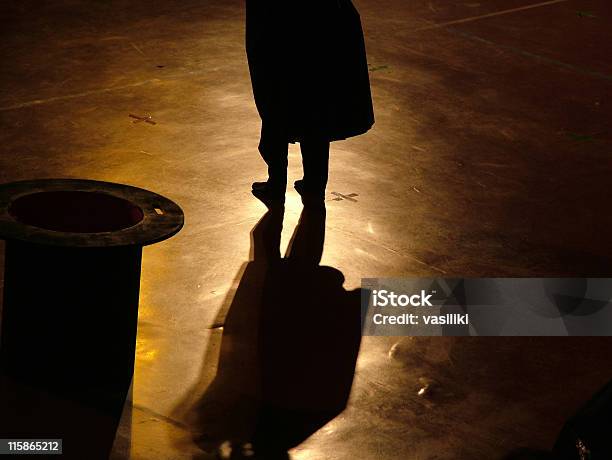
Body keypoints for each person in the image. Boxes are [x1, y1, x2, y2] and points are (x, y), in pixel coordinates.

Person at [246, 0, 374, 205]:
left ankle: (277, 183)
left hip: (279, 20)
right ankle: (314, 184)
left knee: (276, 97)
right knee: (315, 100)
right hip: (320, 16)